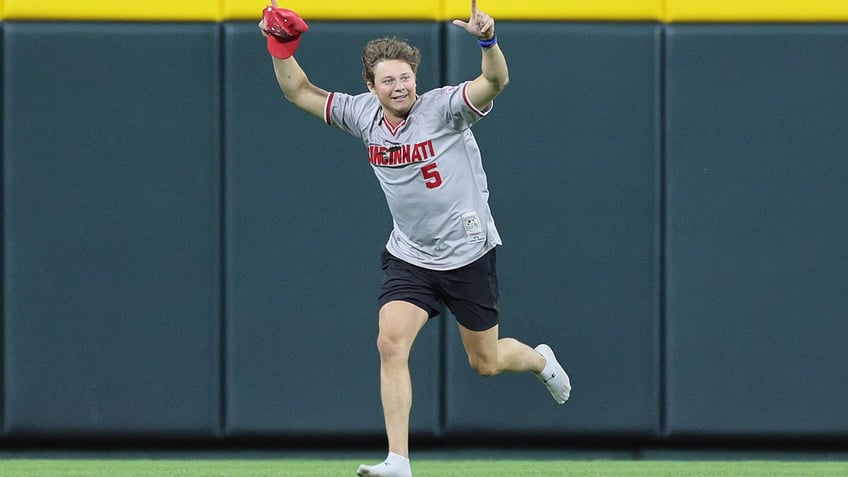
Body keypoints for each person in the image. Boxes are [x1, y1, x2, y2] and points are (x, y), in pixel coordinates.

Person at [259, 1, 571, 476]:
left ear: (415, 78)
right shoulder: (363, 115)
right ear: (371, 86)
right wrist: (280, 46)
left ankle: (537, 359)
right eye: (388, 80)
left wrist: (488, 41)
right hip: (411, 256)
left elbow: (495, 82)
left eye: (405, 77)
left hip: (468, 254)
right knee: (390, 343)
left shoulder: (442, 109)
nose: (399, 86)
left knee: (485, 362)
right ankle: (398, 460)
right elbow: (297, 91)